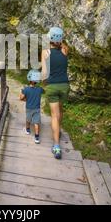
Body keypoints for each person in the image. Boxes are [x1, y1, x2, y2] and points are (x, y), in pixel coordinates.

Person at [41, 27, 69, 159]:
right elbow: (63, 45)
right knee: (60, 111)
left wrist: (44, 84)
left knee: (54, 115)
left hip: (52, 85)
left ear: (50, 39)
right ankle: (59, 131)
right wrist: (60, 40)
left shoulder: (45, 52)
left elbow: (45, 73)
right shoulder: (65, 50)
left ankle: (56, 146)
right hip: (64, 85)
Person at [19, 69, 44, 144]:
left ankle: (27, 130)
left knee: (28, 120)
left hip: (29, 108)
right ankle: (36, 137)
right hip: (37, 109)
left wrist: (22, 91)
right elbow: (43, 91)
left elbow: (21, 98)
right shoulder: (40, 89)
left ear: (29, 79)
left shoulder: (26, 89)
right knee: (36, 122)